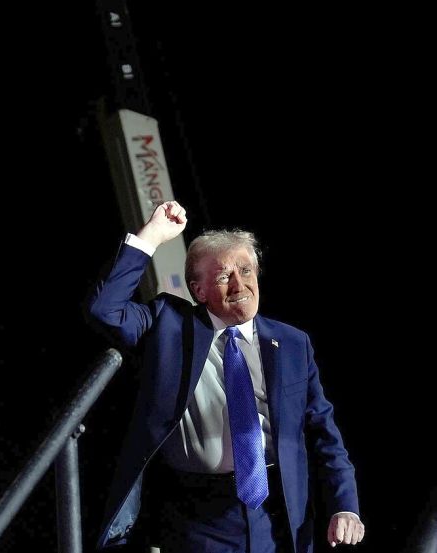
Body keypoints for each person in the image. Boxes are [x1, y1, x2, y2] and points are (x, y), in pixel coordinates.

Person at [89, 201, 364, 552]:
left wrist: (345, 506)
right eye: (223, 276)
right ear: (198, 291)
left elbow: (324, 433)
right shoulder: (169, 326)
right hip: (197, 519)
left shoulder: (293, 343)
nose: (239, 284)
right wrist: (152, 236)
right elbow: (105, 309)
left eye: (246, 271)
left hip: (278, 515)